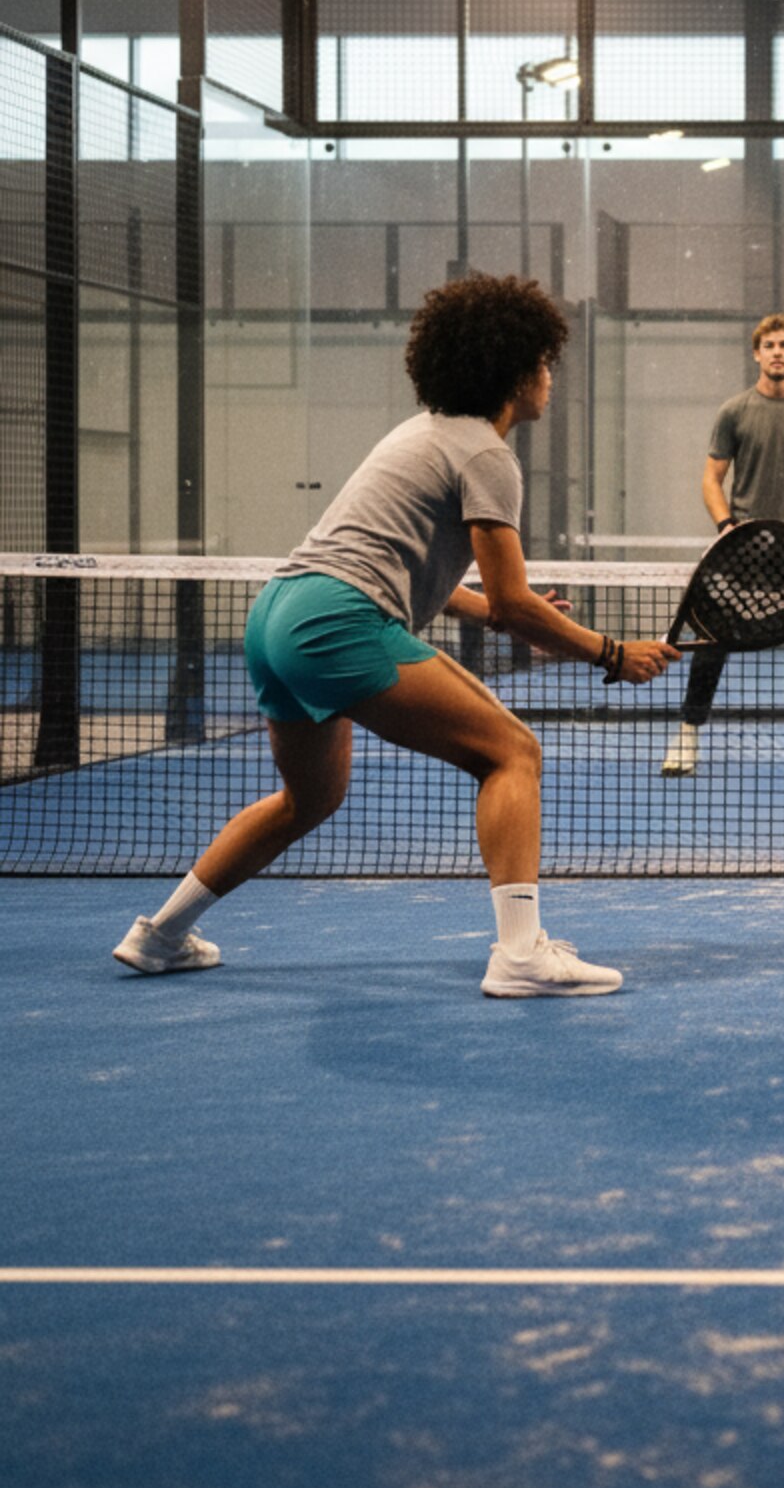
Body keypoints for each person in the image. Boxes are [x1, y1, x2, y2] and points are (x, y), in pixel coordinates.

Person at [113, 275, 676, 997]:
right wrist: (611, 651)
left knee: (307, 799)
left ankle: (158, 935)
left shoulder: (421, 434)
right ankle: (522, 955)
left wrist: (499, 608)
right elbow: (513, 602)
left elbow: (421, 574)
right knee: (512, 752)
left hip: (279, 615)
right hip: (337, 623)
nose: (548, 378)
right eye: (543, 362)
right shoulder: (488, 456)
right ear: (513, 370)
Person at [662, 312, 784, 774]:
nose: (777, 352)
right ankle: (686, 739)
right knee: (710, 643)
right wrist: (726, 525)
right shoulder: (733, 411)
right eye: (769, 345)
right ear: (757, 354)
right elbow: (712, 479)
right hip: (744, 547)